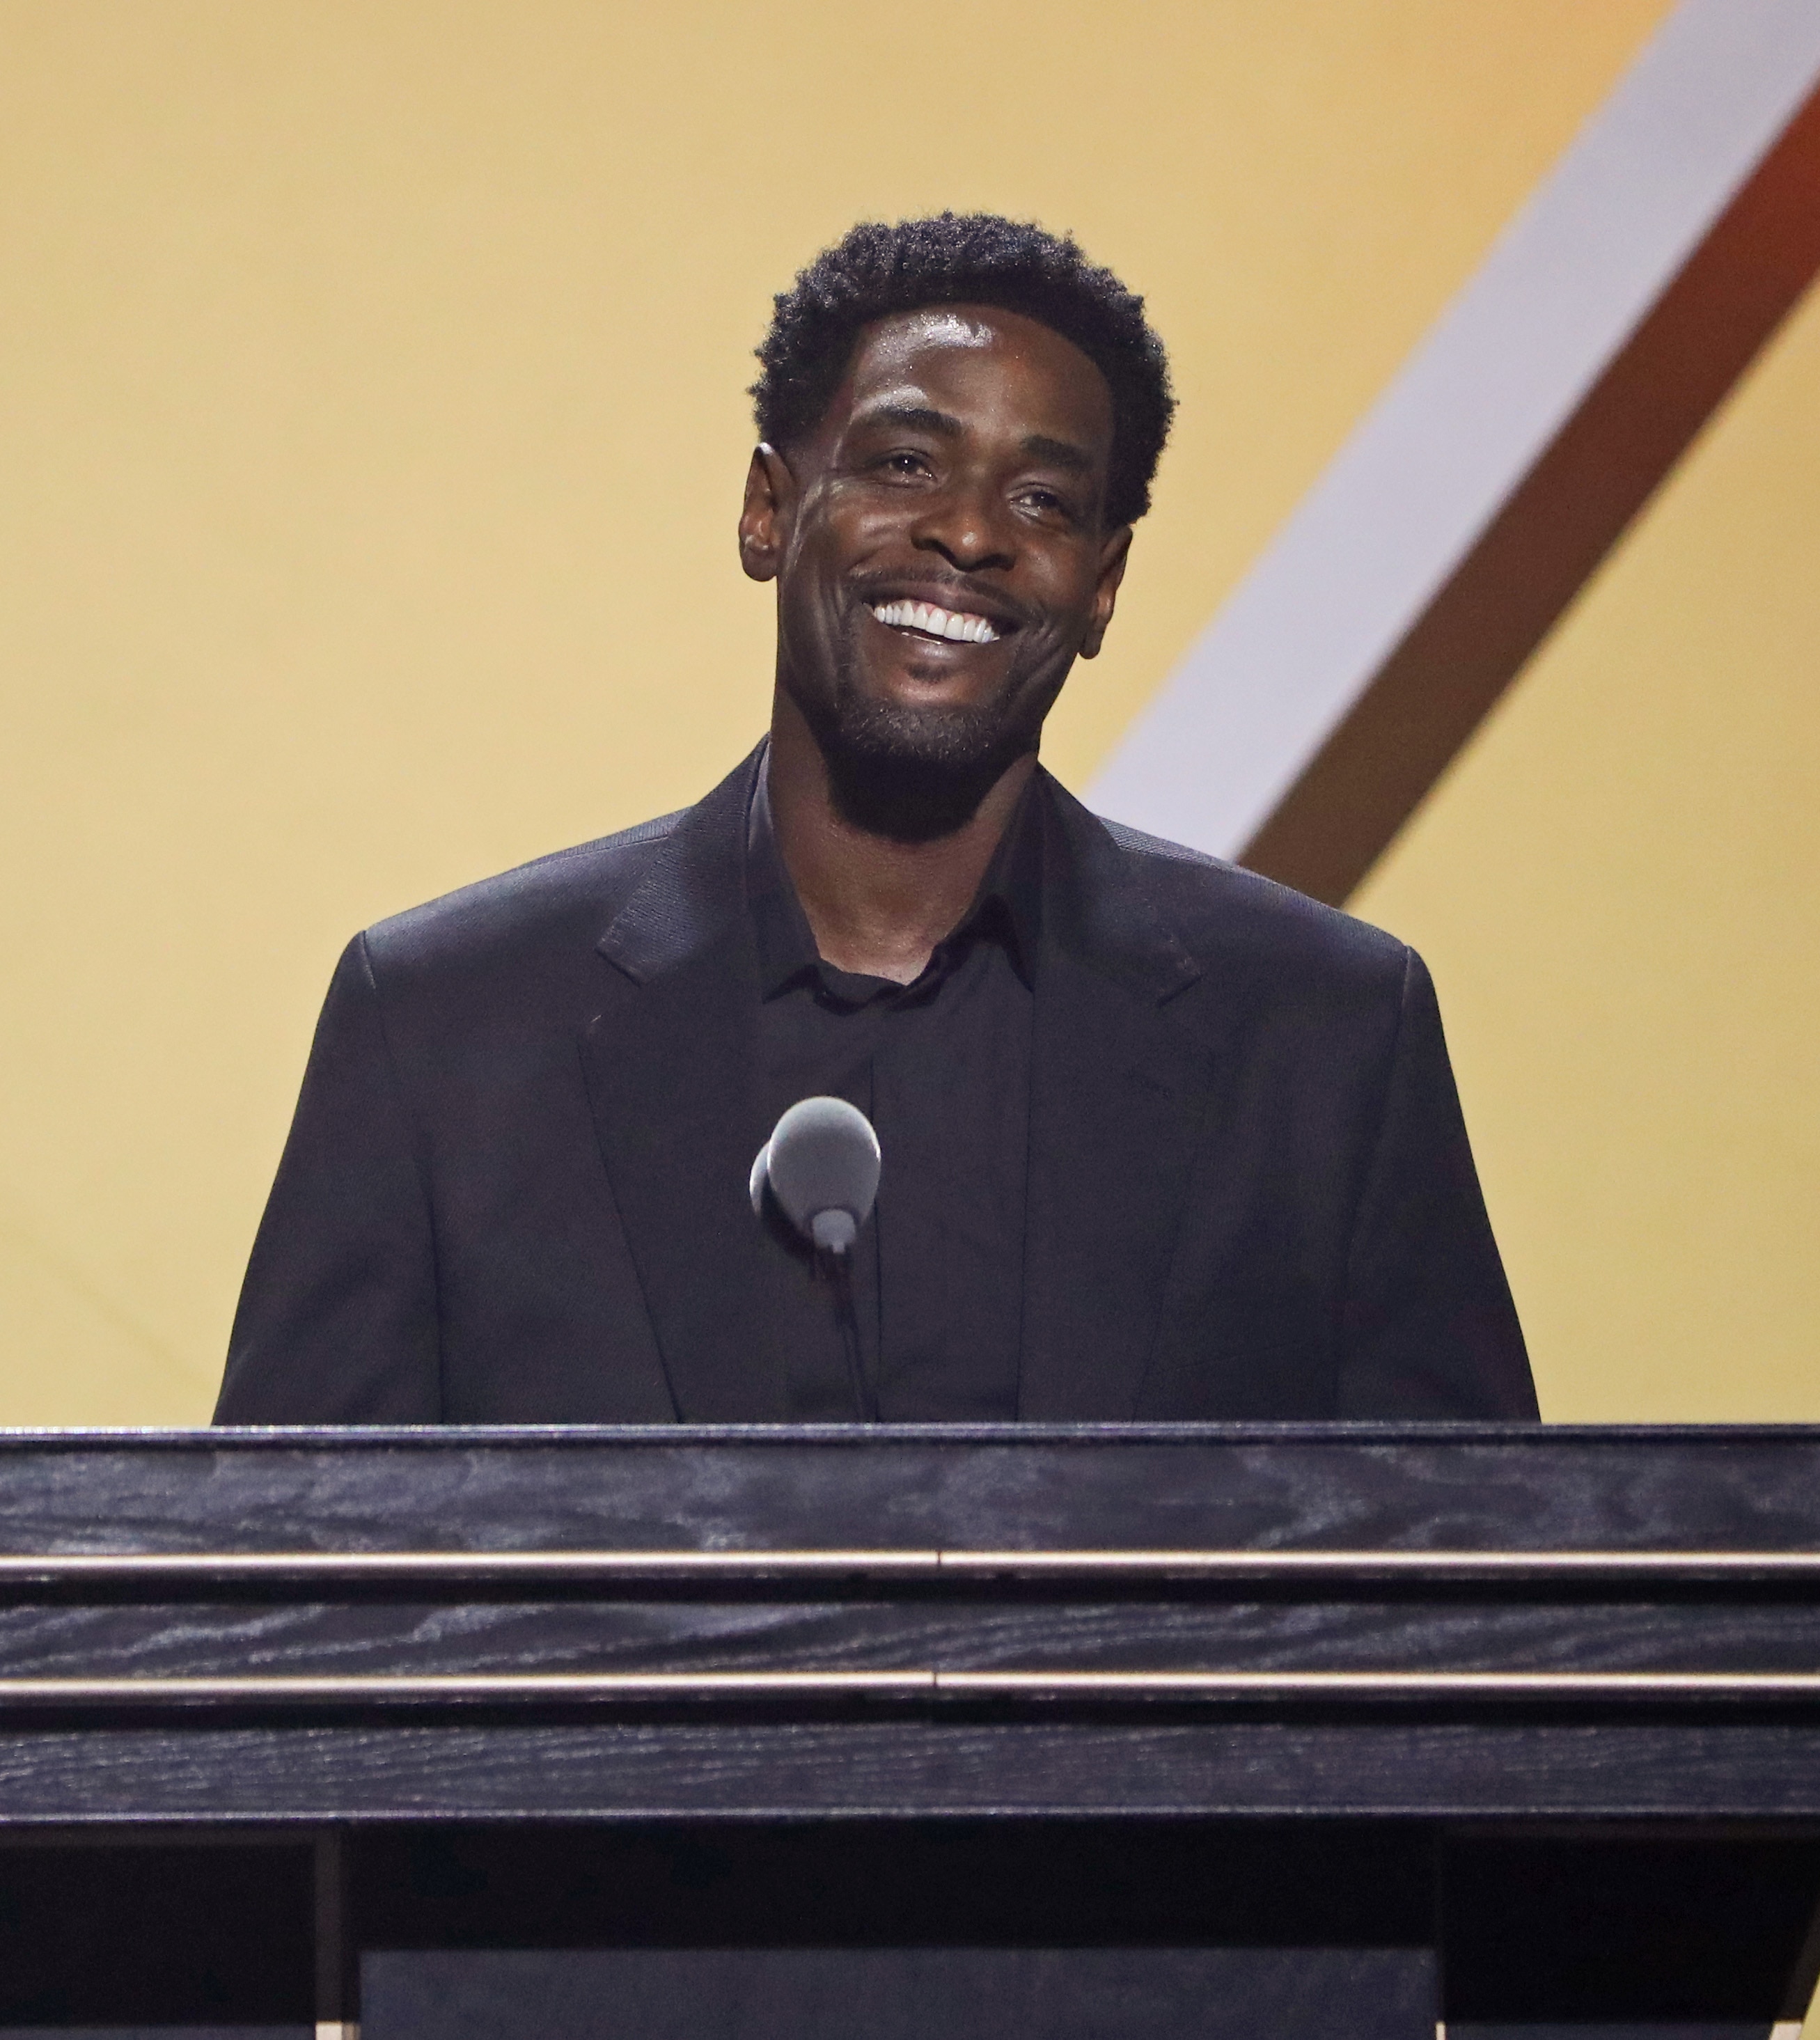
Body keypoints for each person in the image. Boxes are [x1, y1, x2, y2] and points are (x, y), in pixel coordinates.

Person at [214, 214, 1537, 1426]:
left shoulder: (1325, 1038)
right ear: (768, 510)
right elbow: (280, 1601)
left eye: (1043, 501)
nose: (967, 534)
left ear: (1102, 588)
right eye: (906, 461)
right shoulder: (447, 1026)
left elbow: (1483, 1598)